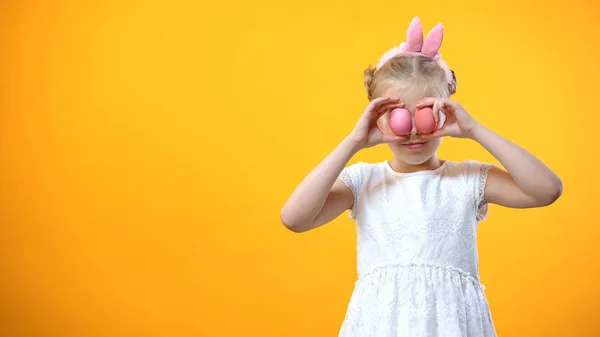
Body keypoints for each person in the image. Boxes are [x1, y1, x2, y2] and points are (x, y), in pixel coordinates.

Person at [279, 16, 562, 337]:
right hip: (381, 326)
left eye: (425, 114)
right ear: (378, 119)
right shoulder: (363, 181)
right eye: (399, 116)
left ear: (445, 110)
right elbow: (294, 218)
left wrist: (474, 130)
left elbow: (547, 190)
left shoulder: (466, 179)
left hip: (453, 326)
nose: (413, 129)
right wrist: (353, 142)